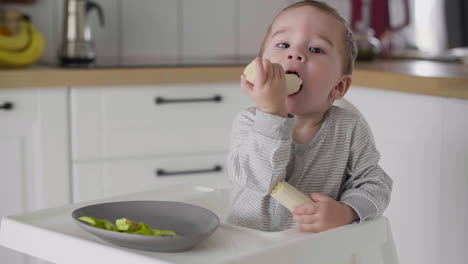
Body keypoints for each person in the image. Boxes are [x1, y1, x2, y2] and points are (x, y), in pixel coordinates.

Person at [227, 0, 393, 233]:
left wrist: (346, 211)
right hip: (248, 246)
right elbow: (257, 180)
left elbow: (377, 183)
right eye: (283, 44)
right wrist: (272, 114)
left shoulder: (348, 128)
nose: (295, 54)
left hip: (314, 250)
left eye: (315, 49)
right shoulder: (249, 122)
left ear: (339, 86)